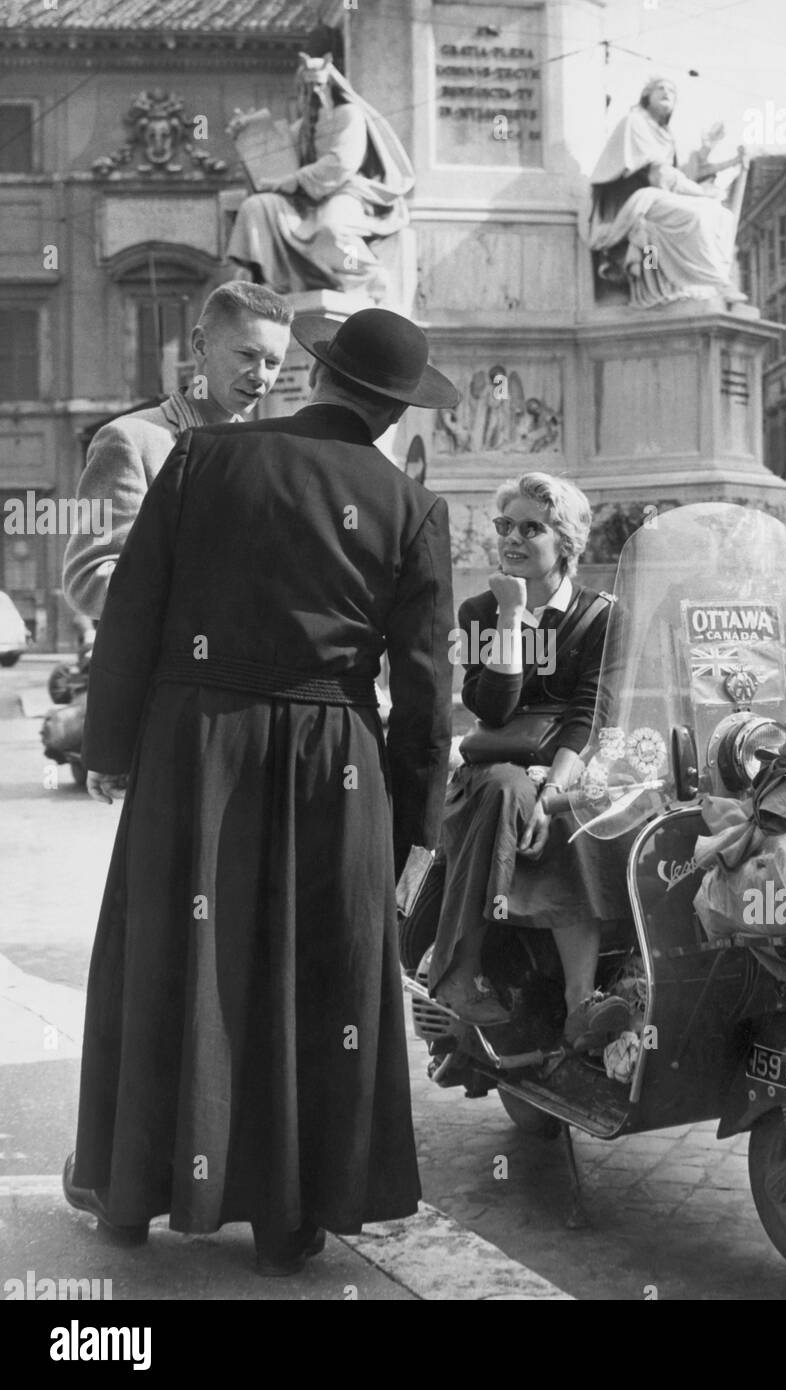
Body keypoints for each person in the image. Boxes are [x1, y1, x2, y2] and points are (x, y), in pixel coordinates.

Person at [62, 308, 458, 1275]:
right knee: (310, 976)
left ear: (315, 373)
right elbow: (423, 695)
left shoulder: (201, 460)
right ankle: (291, 1219)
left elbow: (135, 617)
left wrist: (110, 747)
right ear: (397, 409)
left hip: (198, 743)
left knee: (166, 960)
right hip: (336, 759)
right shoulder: (408, 507)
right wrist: (415, 827)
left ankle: (127, 1198)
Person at [428, 472, 632, 1053]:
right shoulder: (477, 612)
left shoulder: (601, 617)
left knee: (575, 816)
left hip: (568, 764)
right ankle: (461, 971)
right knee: (504, 791)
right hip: (493, 769)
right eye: (505, 526)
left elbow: (588, 713)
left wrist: (556, 792)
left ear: (565, 541)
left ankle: (580, 1005)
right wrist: (512, 618)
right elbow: (490, 705)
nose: (512, 538)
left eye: (531, 528)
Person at [63, 281, 292, 620]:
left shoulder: (264, 452)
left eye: (273, 363)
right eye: (247, 355)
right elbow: (89, 582)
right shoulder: (130, 440)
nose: (260, 377)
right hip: (167, 669)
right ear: (201, 345)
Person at [226, 53, 413, 298]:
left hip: (349, 191)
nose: (313, 91)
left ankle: (367, 274)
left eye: (318, 84)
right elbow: (276, 154)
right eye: (307, 86)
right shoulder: (304, 126)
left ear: (330, 85)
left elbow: (341, 163)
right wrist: (248, 133)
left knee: (330, 228)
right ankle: (271, 283)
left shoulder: (349, 114)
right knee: (256, 207)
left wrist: (294, 180)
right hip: (306, 199)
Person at [588, 77, 746, 308]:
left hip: (659, 197)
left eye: (671, 90)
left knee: (721, 216)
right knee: (696, 217)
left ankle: (704, 281)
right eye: (659, 88)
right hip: (637, 202)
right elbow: (661, 176)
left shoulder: (665, 134)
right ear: (646, 97)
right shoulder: (635, 123)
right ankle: (693, 282)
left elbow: (682, 173)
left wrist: (718, 155)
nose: (666, 92)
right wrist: (701, 194)